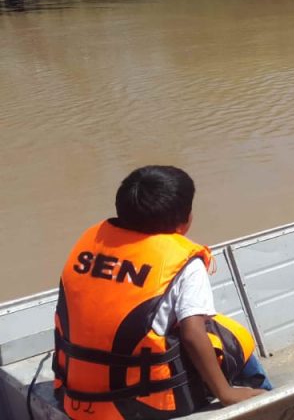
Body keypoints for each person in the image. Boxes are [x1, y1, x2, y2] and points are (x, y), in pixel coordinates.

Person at [53, 166, 269, 420]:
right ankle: (272, 402)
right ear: (186, 220)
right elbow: (191, 333)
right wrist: (226, 394)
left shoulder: (91, 241)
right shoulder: (182, 260)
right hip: (141, 406)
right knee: (231, 336)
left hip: (75, 396)